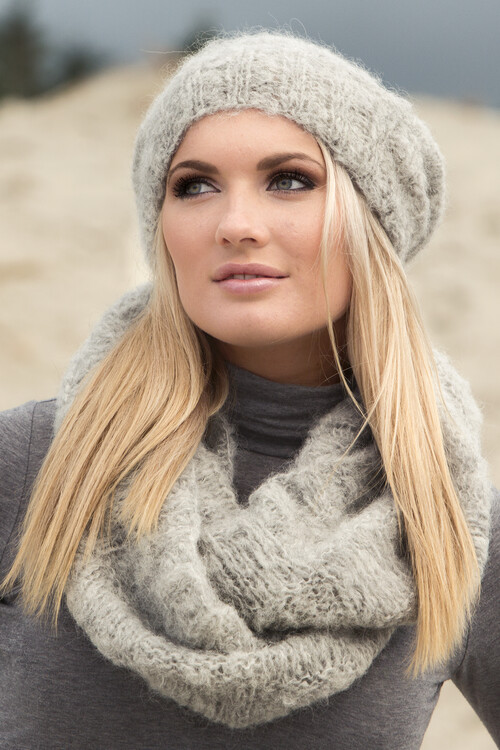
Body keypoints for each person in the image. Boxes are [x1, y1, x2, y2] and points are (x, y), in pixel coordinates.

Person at [0, 31, 498, 750]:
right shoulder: (31, 465)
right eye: (194, 186)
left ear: (372, 221)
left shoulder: (447, 517)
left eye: (290, 180)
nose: (235, 225)